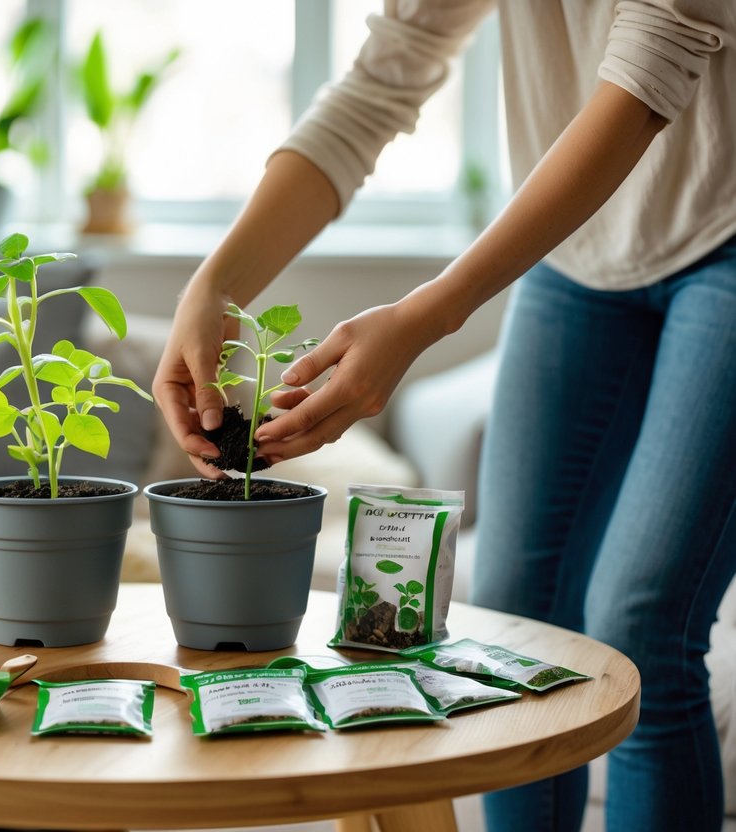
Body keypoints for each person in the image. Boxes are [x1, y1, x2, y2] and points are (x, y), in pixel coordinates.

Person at [151, 2, 736, 830]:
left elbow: (653, 61)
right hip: (578, 253)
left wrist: (428, 315)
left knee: (640, 620)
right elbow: (382, 77)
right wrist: (211, 286)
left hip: (728, 226)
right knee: (519, 623)